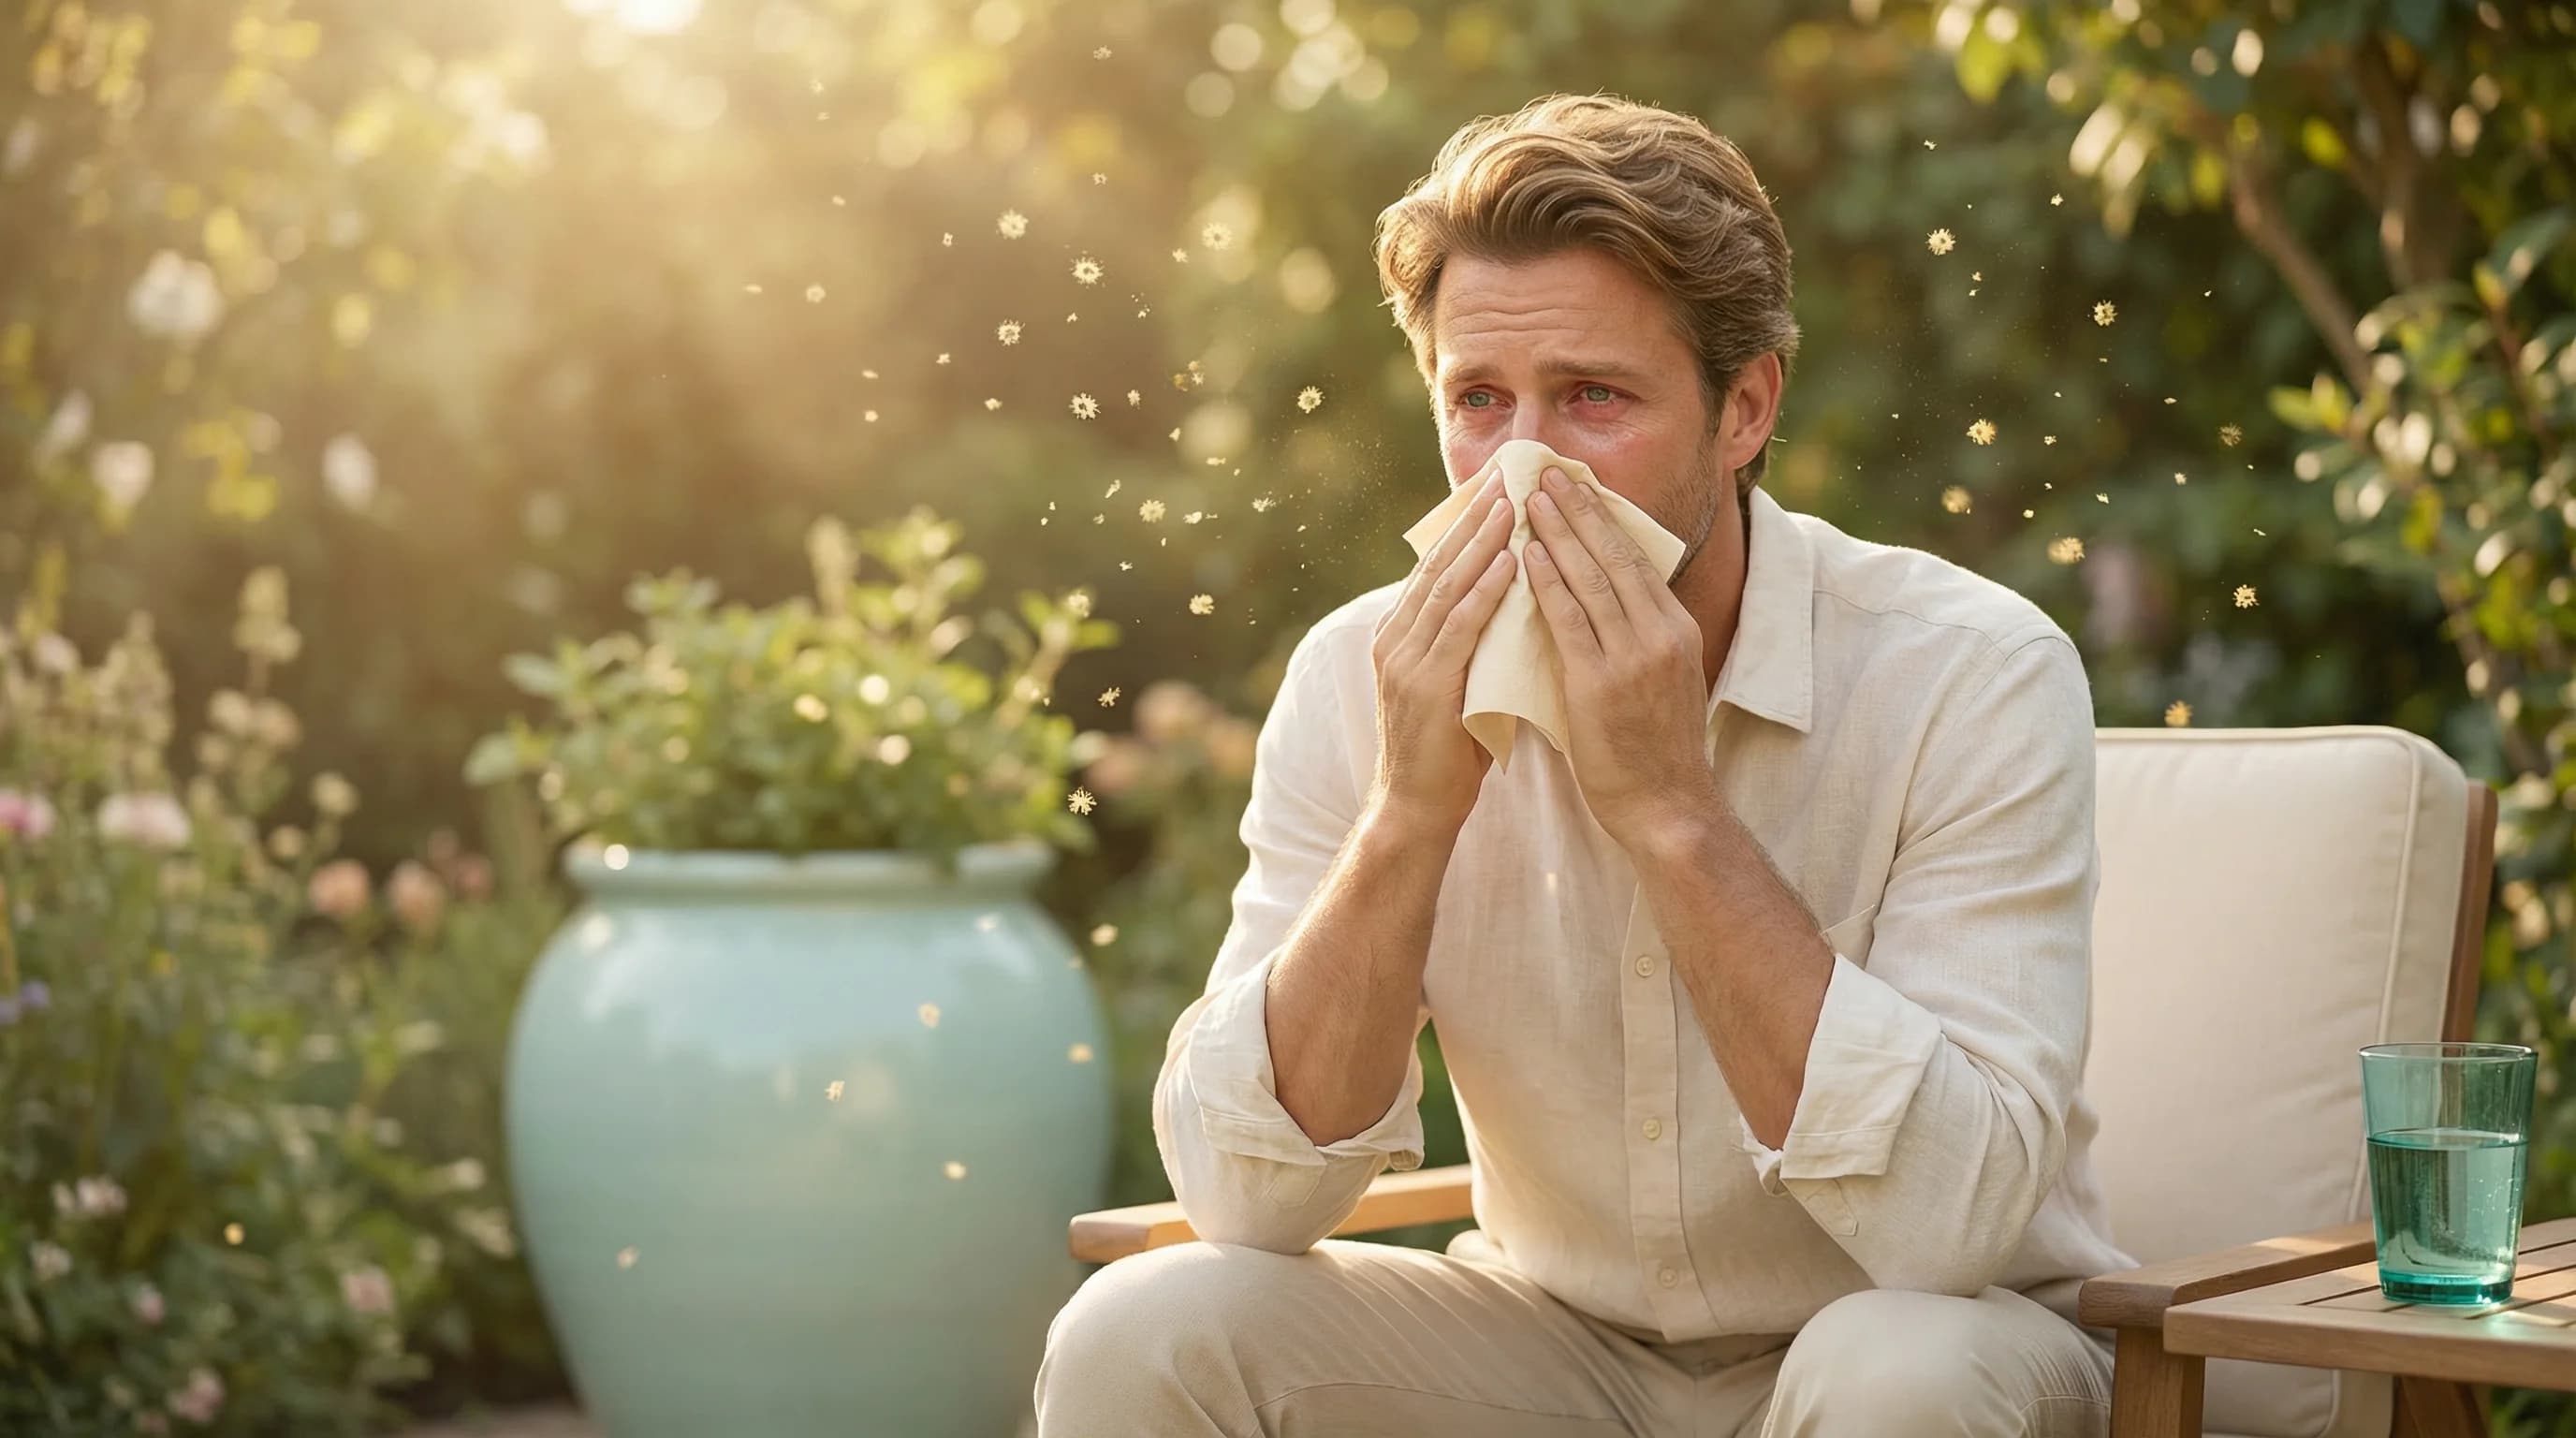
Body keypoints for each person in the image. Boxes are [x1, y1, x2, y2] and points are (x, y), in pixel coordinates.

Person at [1036, 91, 2135, 1437]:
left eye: (1594, 398)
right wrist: (1409, 815)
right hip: (1547, 1349)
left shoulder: (1971, 672)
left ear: (1744, 409)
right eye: (1479, 402)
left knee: (1894, 1371)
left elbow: (1948, 1229)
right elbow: (1246, 1200)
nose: (1521, 473)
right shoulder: (1362, 674)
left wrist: (1672, 810)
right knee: (1144, 1330)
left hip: (1943, 1341)